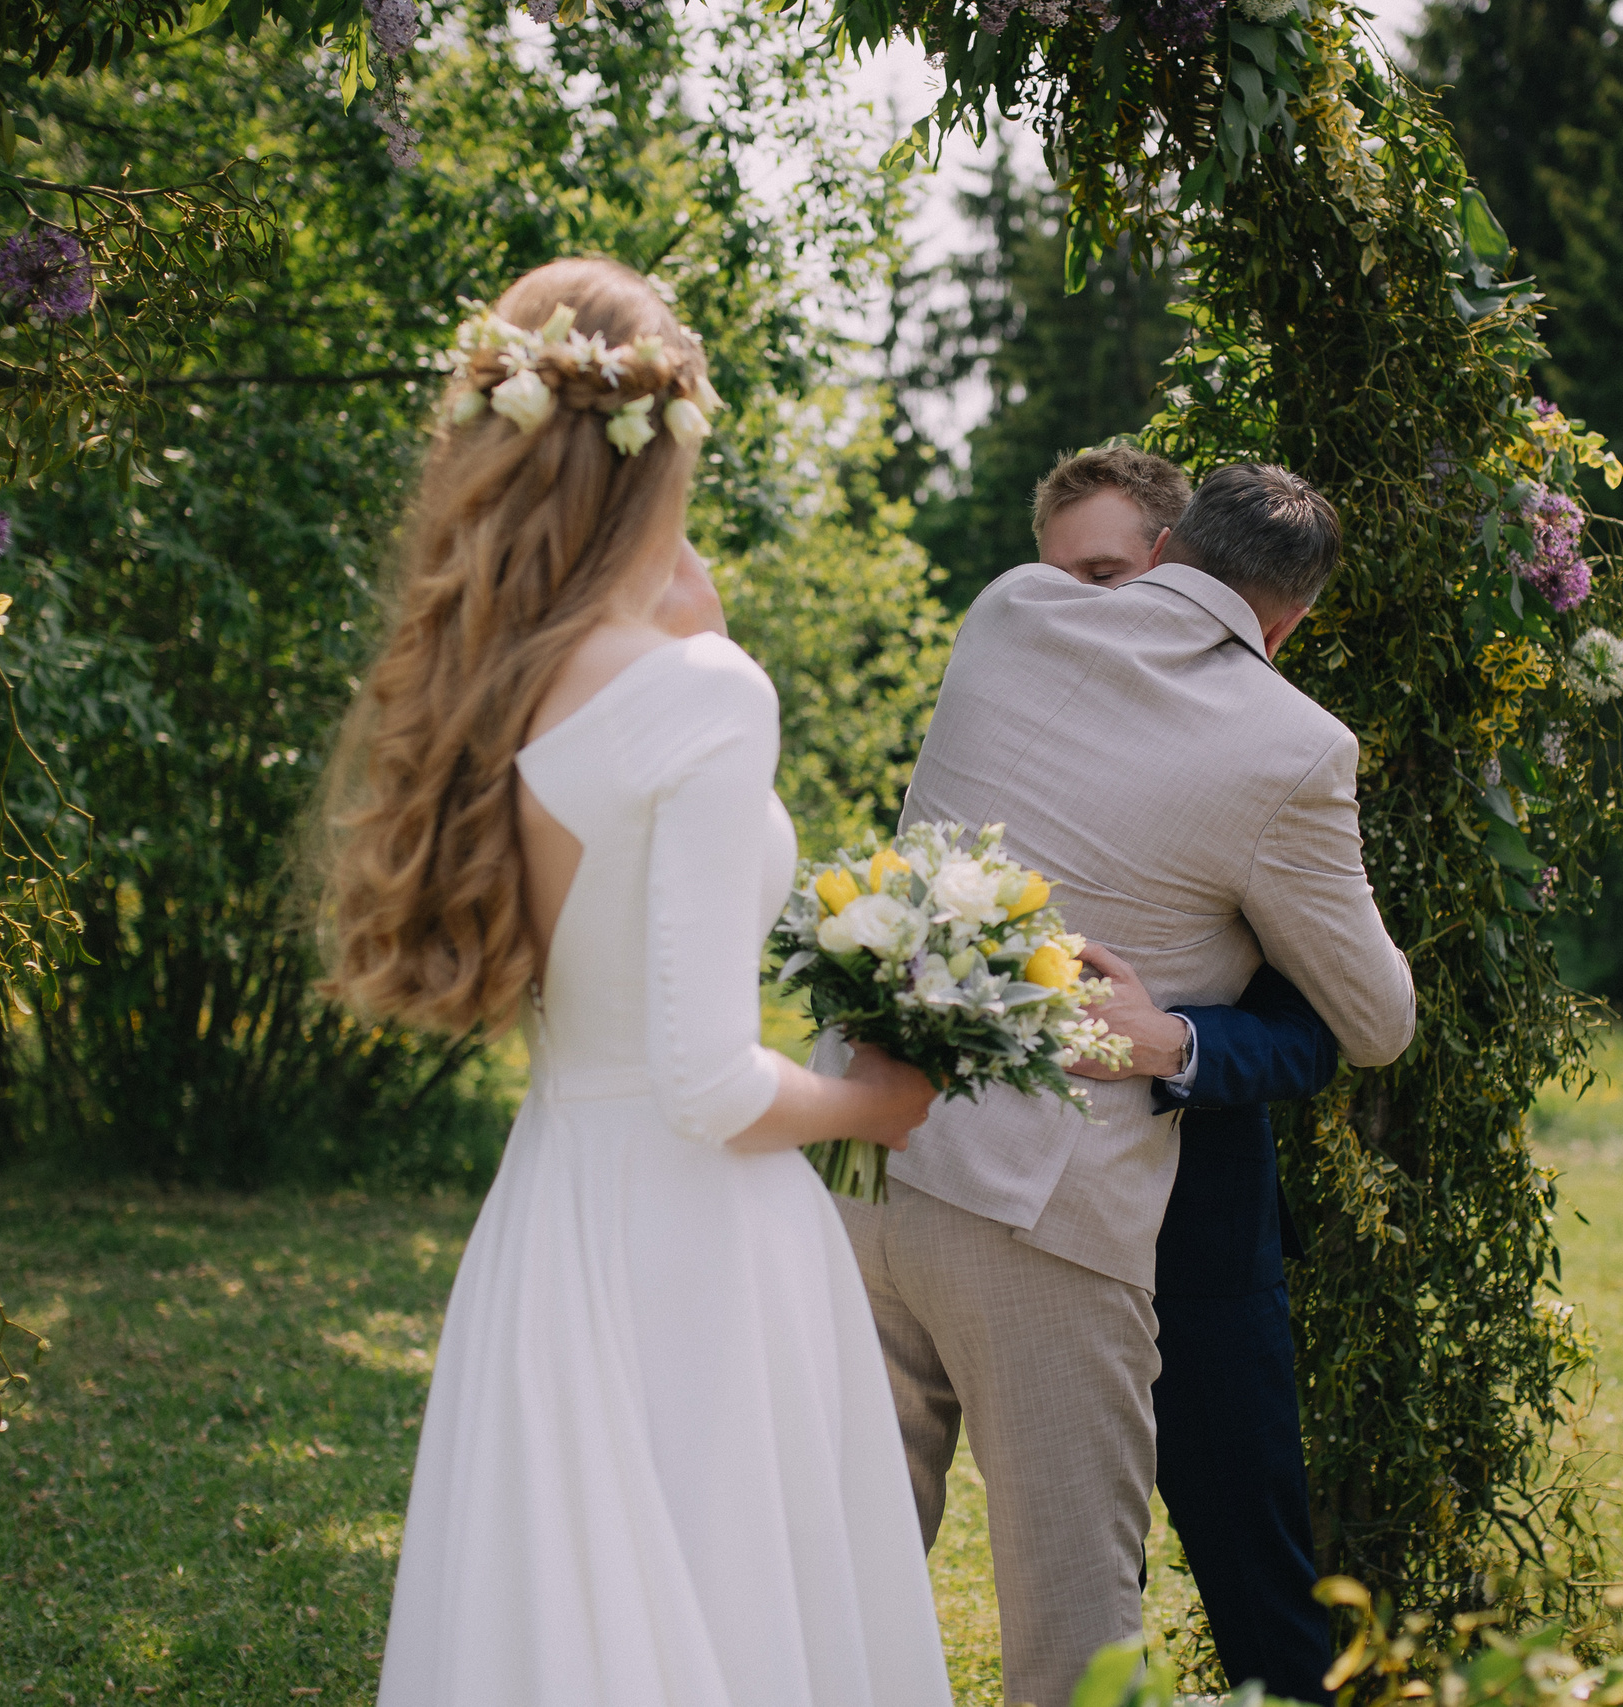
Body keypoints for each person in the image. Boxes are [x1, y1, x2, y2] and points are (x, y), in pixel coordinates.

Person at [316, 257, 953, 1707]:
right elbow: (710, 1080)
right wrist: (878, 1101)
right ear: (664, 444)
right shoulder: (705, 692)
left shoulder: (493, 677)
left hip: (553, 1209)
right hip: (698, 1243)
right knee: (730, 1621)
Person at [829, 451, 1414, 1705]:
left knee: (836, 1569)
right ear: (1293, 617)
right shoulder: (1296, 748)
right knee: (1073, 1621)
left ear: (1166, 550)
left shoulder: (1008, 609)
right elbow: (1376, 1019)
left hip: (859, 1160)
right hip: (1040, 1214)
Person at [1036, 446, 1345, 1703]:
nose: (1084, 614)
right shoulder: (1014, 728)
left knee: (1256, 1569)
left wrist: (1179, 1045)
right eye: (1059, 585)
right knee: (1069, 1580)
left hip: (1198, 1237)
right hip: (1024, 1231)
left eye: (1107, 576)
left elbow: (1321, 1021)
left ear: (1171, 570)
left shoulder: (1271, 760)